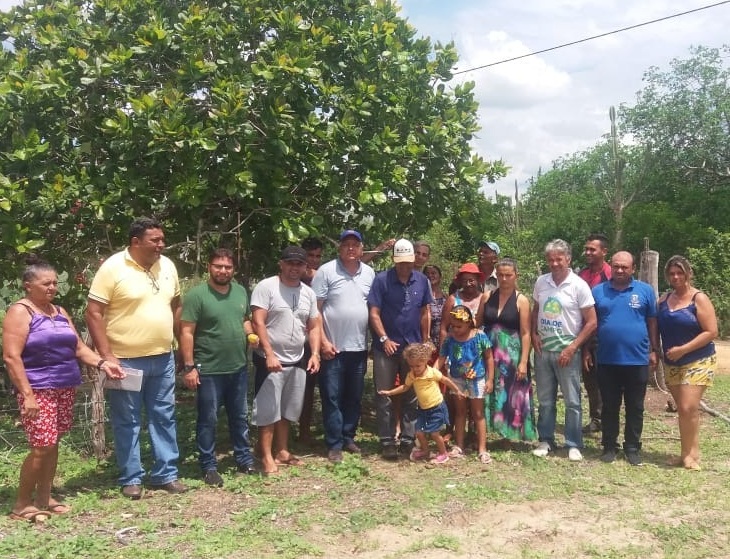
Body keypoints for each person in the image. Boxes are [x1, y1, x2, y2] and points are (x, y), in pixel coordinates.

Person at [3, 256, 124, 522]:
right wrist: (27, 395)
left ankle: (45, 498)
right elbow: (11, 357)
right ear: (27, 286)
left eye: (55, 283)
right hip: (37, 389)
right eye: (46, 283)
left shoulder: (59, 312)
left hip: (64, 386)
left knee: (53, 443)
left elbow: (79, 348)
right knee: (41, 446)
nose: (52, 288)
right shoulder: (20, 312)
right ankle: (22, 504)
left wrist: (103, 363)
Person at [86, 217, 187, 499]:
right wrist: (107, 357)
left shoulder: (167, 266)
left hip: (162, 357)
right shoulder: (113, 268)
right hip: (124, 361)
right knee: (127, 419)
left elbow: (177, 304)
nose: (161, 245)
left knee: (163, 415)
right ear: (135, 242)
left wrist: (178, 345)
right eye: (155, 240)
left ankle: (165, 473)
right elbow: (93, 312)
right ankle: (131, 477)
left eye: (162, 239)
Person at [179, 248, 257, 486]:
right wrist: (189, 367)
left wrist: (252, 334)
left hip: (238, 367)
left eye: (228, 267)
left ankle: (244, 459)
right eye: (218, 266)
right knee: (208, 419)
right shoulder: (197, 295)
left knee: (239, 417)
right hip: (209, 369)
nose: (223, 271)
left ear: (234, 269)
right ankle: (208, 466)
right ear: (209, 267)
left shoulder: (241, 292)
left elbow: (244, 319)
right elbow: (186, 331)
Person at [251, 246, 322, 475]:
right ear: (281, 264)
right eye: (290, 263)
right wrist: (269, 353)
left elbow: (313, 325)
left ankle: (282, 450)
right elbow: (258, 322)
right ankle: (266, 456)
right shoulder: (267, 287)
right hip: (270, 360)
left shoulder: (308, 293)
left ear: (305, 267)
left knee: (288, 410)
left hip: (298, 359)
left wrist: (315, 353)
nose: (294, 268)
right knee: (268, 410)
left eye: (299, 264)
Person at [589, 251, 658, 466]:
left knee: (635, 406)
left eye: (625, 267)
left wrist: (654, 350)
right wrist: (586, 351)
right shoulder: (598, 291)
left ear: (633, 269)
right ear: (611, 265)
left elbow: (652, 323)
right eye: (616, 266)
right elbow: (591, 324)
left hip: (637, 359)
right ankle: (609, 445)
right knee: (609, 406)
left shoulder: (645, 291)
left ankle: (632, 447)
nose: (620, 270)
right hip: (607, 359)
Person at [312, 230, 375, 463]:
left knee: (354, 396)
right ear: (339, 248)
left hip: (358, 348)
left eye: (355, 244)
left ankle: (348, 436)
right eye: (346, 244)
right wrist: (324, 343)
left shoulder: (369, 273)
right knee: (332, 396)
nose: (351, 248)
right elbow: (315, 311)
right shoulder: (326, 271)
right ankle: (334, 443)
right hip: (333, 348)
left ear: (361, 249)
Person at [531, 239, 596, 461]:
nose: (555, 263)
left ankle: (573, 443)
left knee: (572, 401)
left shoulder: (578, 285)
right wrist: (533, 334)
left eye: (559, 259)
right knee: (545, 399)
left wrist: (574, 347)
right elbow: (536, 310)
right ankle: (546, 439)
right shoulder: (541, 282)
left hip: (568, 351)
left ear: (568, 259)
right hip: (543, 350)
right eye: (551, 259)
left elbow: (592, 321)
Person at [368, 239, 432, 460]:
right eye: (401, 262)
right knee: (384, 394)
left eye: (408, 262)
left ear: (413, 259)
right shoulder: (382, 280)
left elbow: (425, 312)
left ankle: (407, 438)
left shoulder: (422, 281)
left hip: (412, 347)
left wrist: (425, 341)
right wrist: (384, 338)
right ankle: (387, 440)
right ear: (394, 260)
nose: (405, 266)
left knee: (412, 394)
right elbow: (374, 312)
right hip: (386, 346)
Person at [657, 255, 718, 471]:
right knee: (684, 410)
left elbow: (711, 331)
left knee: (687, 406)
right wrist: (656, 351)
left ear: (688, 274)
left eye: (679, 272)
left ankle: (693, 455)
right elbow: (654, 328)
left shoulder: (698, 299)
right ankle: (686, 452)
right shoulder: (663, 300)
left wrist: (684, 349)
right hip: (672, 362)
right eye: (672, 273)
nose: (675, 277)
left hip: (698, 358)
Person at [479, 258, 536, 443]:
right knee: (489, 389)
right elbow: (477, 324)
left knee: (512, 392)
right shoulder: (487, 296)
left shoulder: (522, 300)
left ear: (515, 276)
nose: (504, 279)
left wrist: (523, 361)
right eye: (501, 275)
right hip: (488, 351)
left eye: (508, 275)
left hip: (512, 354)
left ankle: (511, 432)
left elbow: (526, 333)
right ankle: (487, 430)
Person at [379, 343, 466, 465]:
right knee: (419, 432)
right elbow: (404, 387)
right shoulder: (411, 375)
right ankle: (425, 451)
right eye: (411, 366)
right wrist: (389, 392)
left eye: (418, 366)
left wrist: (457, 391)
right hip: (424, 409)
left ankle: (443, 454)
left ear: (426, 361)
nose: (415, 369)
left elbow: (445, 380)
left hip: (437, 407)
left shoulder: (432, 372)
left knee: (435, 434)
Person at [438, 305, 494, 463]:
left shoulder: (480, 336)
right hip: (457, 380)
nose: (455, 329)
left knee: (478, 414)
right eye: (453, 326)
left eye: (459, 326)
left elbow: (489, 358)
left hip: (477, 380)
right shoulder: (449, 339)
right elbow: (442, 357)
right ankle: (459, 445)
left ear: (469, 322)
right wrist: (432, 372)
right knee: (460, 411)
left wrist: (490, 380)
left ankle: (483, 448)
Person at [578, 233, 612, 434]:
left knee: (607, 380)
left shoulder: (612, 274)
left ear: (604, 251)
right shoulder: (582, 275)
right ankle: (596, 418)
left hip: (604, 336)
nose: (588, 252)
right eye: (587, 249)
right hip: (584, 335)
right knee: (590, 379)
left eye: (593, 249)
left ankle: (608, 419)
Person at [298, 237, 324, 444]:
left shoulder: (322, 276)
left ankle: (307, 429)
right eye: (310, 255)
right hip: (296, 341)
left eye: (318, 256)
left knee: (317, 387)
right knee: (300, 388)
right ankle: (299, 429)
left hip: (318, 339)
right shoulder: (291, 276)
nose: (314, 260)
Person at [424, 265, 446, 351]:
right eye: (427, 274)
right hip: (426, 342)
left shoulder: (447, 298)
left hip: (444, 341)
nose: (430, 276)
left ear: (440, 277)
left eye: (433, 273)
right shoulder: (422, 298)